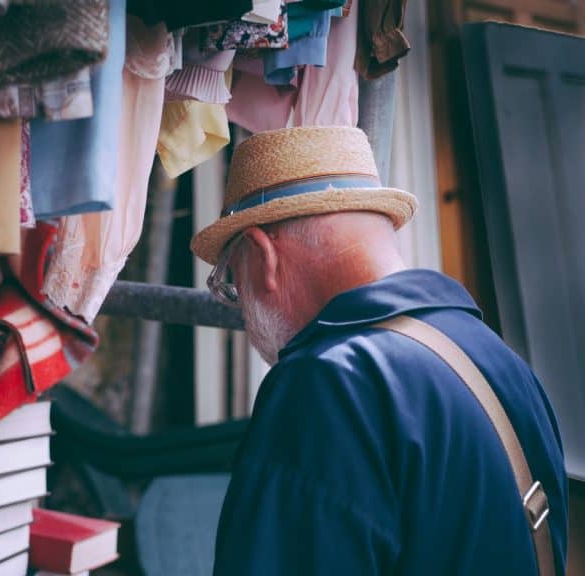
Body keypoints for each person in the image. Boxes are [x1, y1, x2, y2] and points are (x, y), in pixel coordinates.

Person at [191, 126, 568, 574]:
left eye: (232, 280)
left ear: (262, 255)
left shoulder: (327, 382)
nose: (242, 307)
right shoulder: (501, 362)